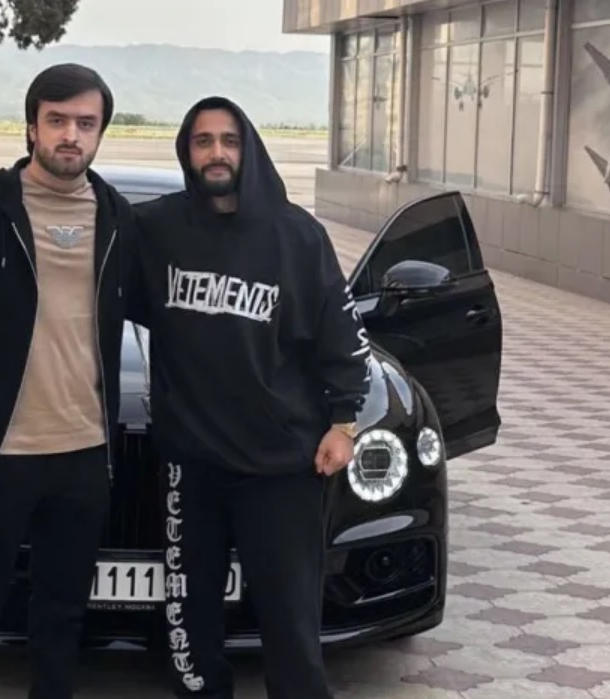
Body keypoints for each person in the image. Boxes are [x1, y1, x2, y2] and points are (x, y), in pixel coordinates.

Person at [126, 96, 371, 699]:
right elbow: (88, 267)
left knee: (290, 621)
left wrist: (344, 423)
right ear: (186, 152)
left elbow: (343, 340)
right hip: (191, 464)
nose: (216, 153)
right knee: (190, 622)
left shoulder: (298, 236)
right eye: (203, 141)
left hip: (281, 464)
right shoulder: (156, 230)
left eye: (229, 140)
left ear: (249, 149)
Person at [0, 63, 140, 699]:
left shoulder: (118, 218)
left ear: (101, 132)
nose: (71, 135)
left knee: (61, 619)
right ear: (32, 126)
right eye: (57, 120)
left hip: (85, 454)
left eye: (86, 123)